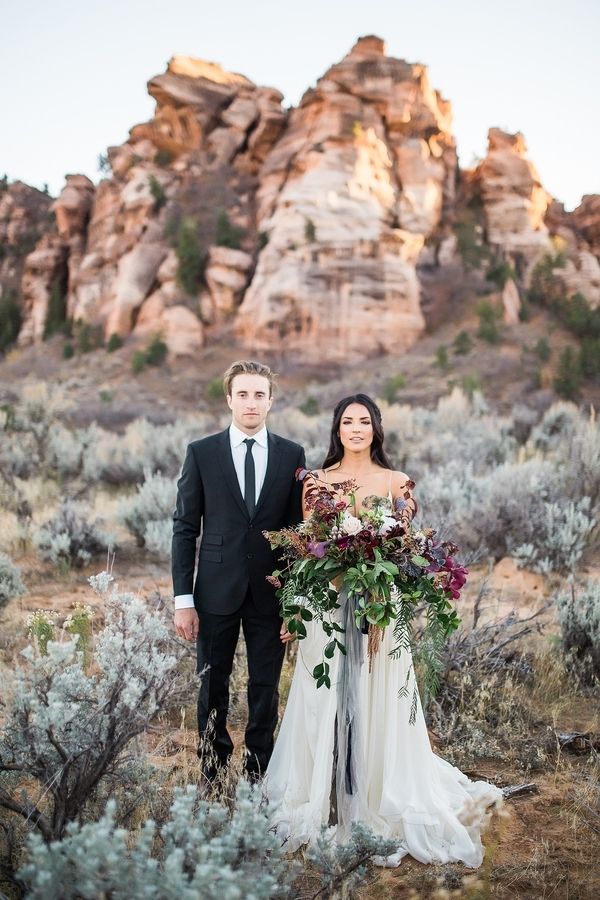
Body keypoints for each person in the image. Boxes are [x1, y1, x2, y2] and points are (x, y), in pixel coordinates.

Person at [264, 393, 502, 867]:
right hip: (325, 605)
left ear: (376, 428)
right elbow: (306, 545)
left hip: (377, 605)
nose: (356, 428)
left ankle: (376, 790)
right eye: (347, 421)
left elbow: (406, 541)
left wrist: (383, 557)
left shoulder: (397, 482)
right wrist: (294, 606)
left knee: (381, 694)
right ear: (337, 429)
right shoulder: (316, 482)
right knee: (321, 694)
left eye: (364, 421)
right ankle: (323, 792)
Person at [172, 360, 305, 783]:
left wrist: (295, 599)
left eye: (259, 394)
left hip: (271, 591)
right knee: (212, 686)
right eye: (242, 394)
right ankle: (212, 772)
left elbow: (297, 534)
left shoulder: (291, 455)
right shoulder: (202, 452)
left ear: (271, 400)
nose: (251, 402)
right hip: (213, 591)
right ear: (229, 399)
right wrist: (183, 599)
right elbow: (185, 528)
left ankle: (258, 773)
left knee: (265, 688)